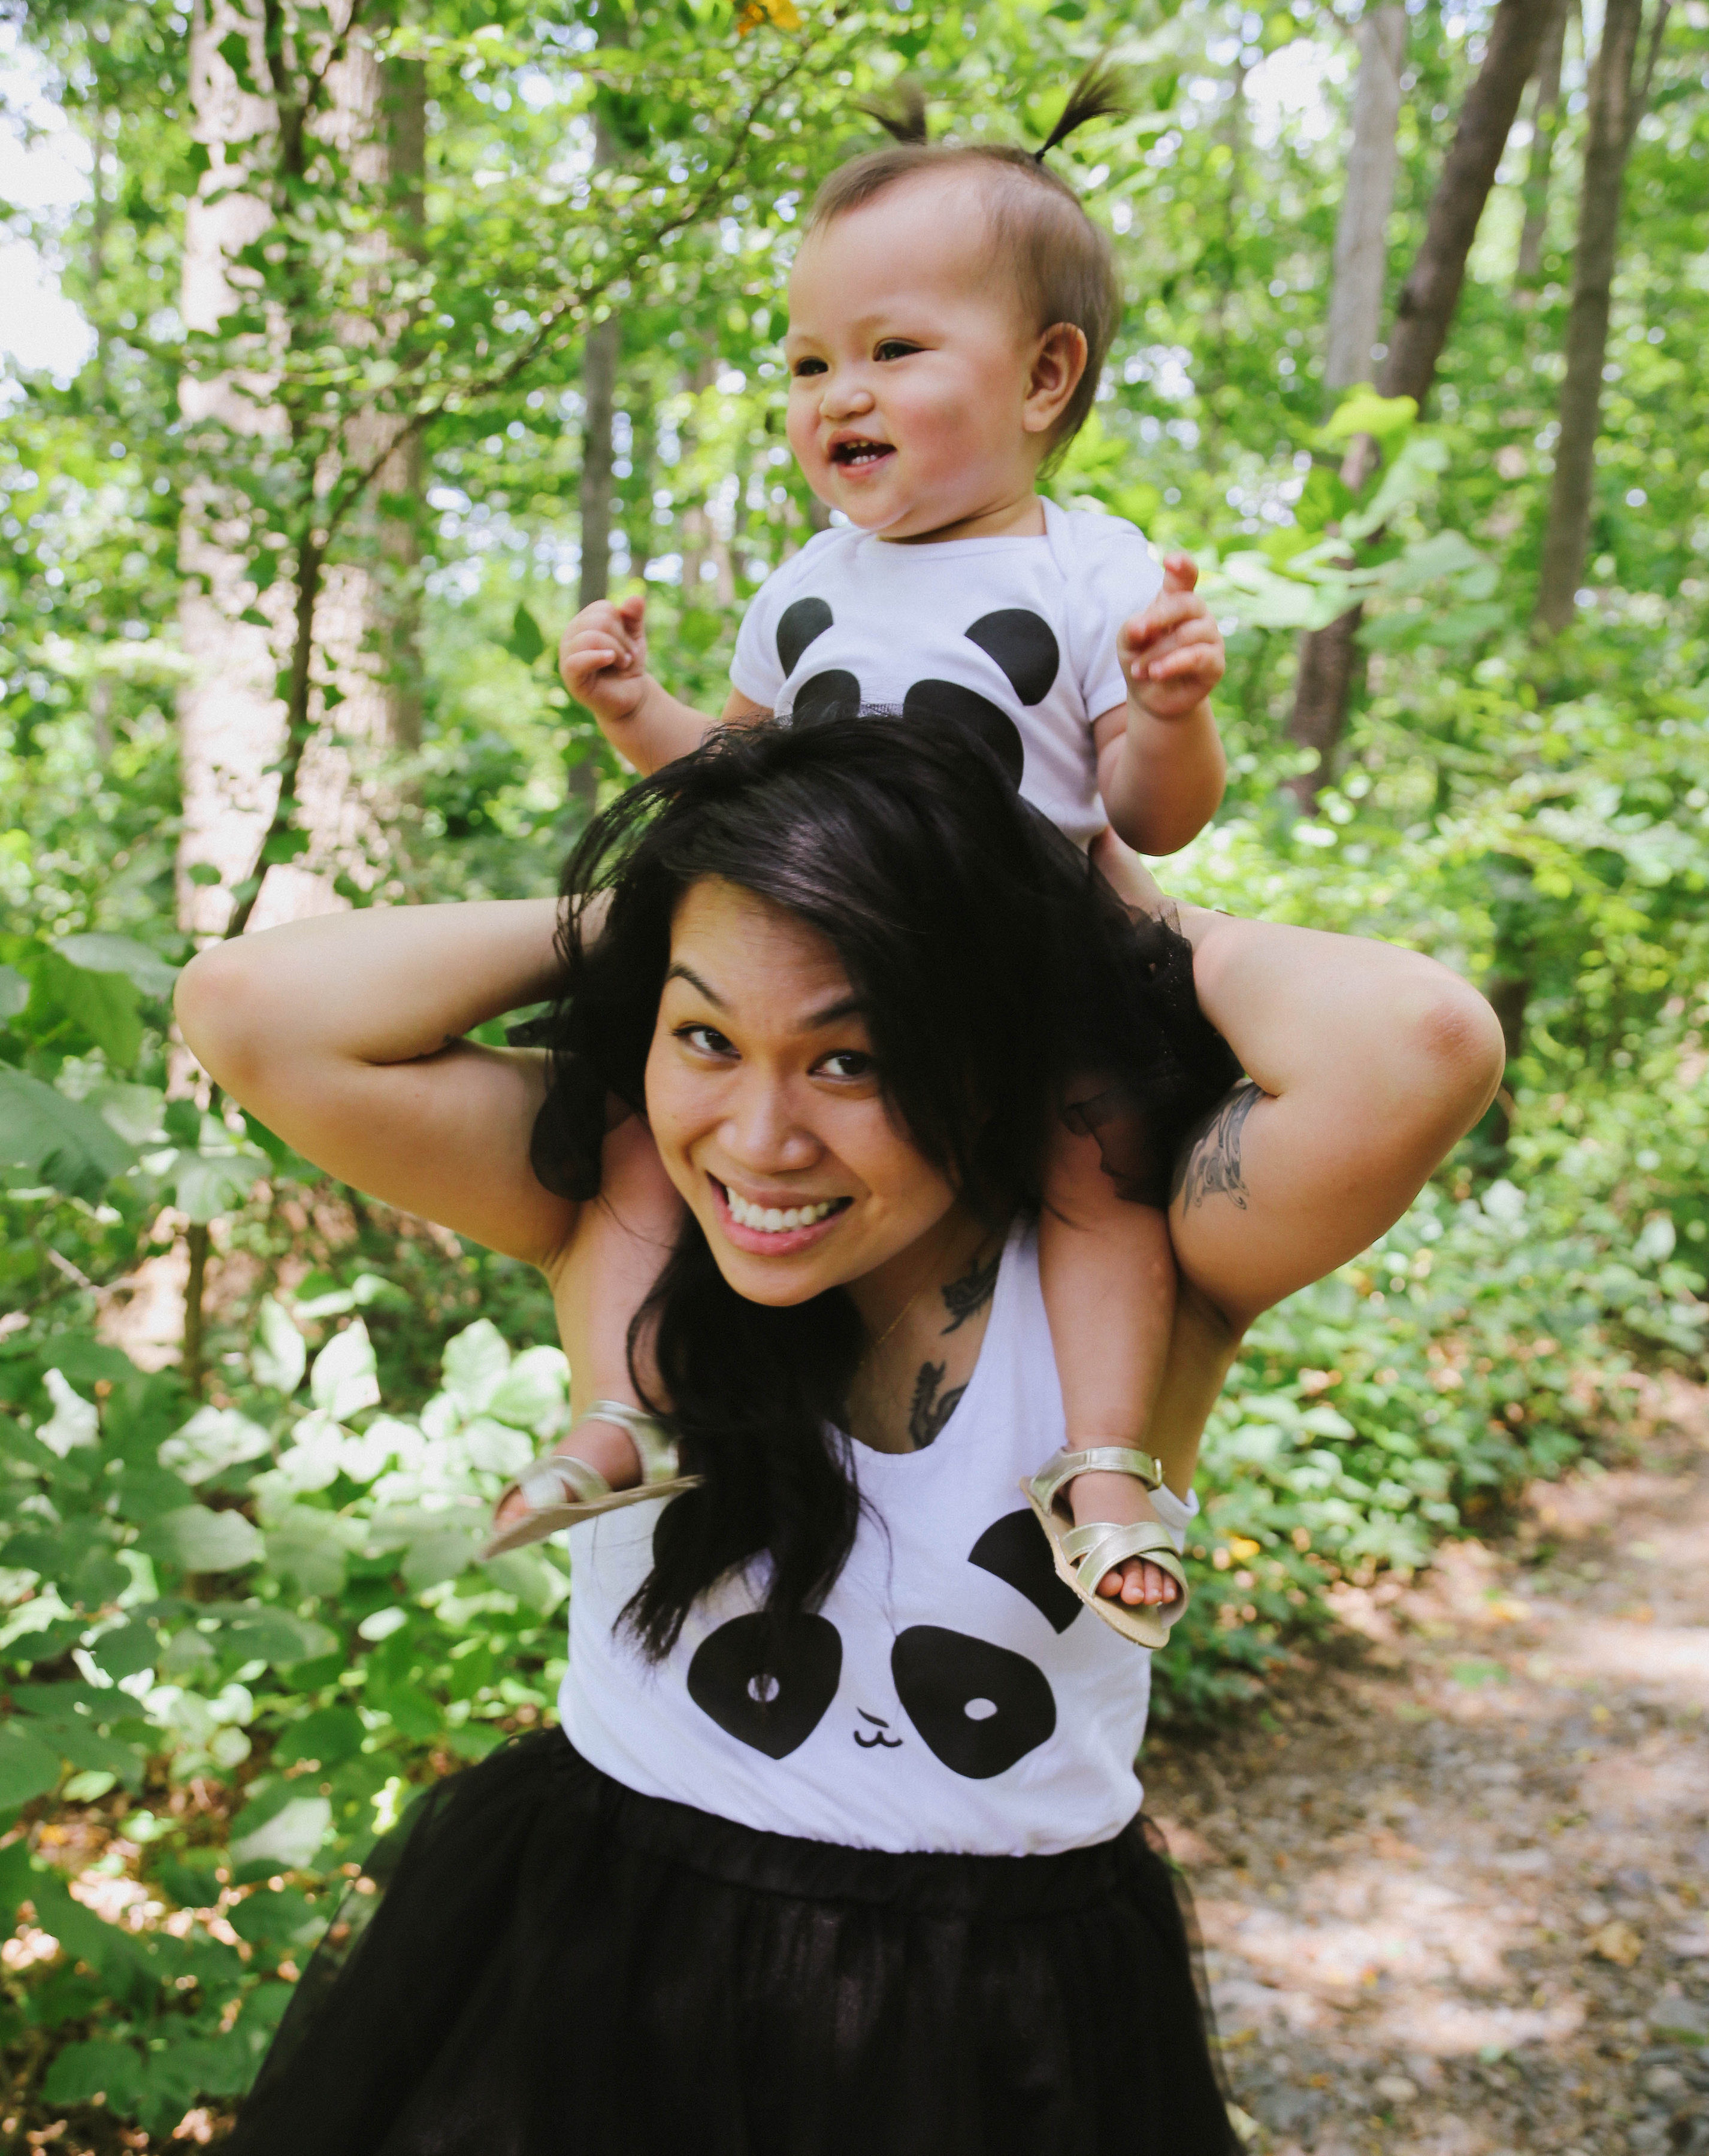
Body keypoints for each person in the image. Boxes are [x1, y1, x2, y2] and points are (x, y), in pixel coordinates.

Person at [179, 719, 1503, 2155]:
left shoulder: (1135, 1267)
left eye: (851, 1060)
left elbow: (1415, 1046)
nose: (758, 1141)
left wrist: (1097, 920)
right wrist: (685, 892)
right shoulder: (619, 1217)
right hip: (603, 1970)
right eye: (705, 1036)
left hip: (988, 2030)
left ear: (988, 1046)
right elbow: (251, 1007)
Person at [542, 64, 1232, 1636]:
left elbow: (1147, 817)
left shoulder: (1087, 573)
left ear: (1044, 378)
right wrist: (636, 712)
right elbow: (730, 786)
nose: (835, 394)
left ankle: (1106, 1469)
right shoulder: (806, 586)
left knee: (1100, 1175)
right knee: (639, 1127)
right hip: (810, 990)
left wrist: (1170, 712)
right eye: (807, 363)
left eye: (891, 350)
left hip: (1023, 972)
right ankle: (622, 1409)